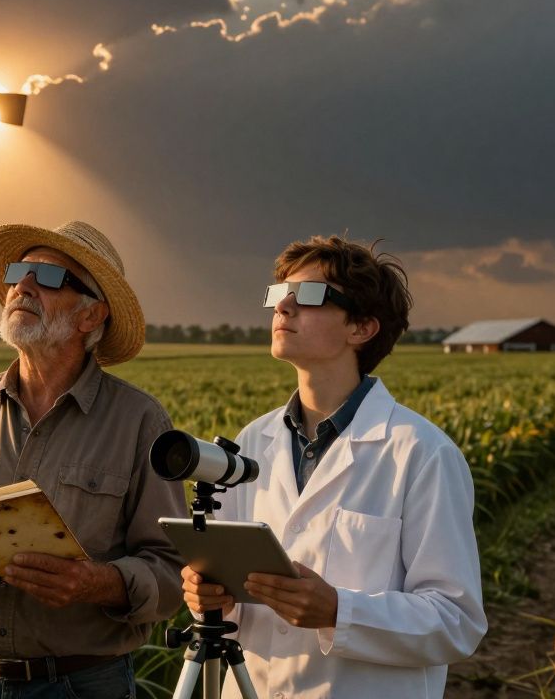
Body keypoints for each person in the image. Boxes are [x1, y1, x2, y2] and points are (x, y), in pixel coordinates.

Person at [0, 221, 187, 698]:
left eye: (47, 277)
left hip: (80, 685)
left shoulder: (140, 422)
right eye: (18, 272)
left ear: (91, 315)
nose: (22, 286)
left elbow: (172, 570)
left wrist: (97, 583)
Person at [180, 235, 486, 698]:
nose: (283, 307)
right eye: (280, 294)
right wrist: (211, 599)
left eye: (307, 295)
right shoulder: (252, 441)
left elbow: (456, 621)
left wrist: (340, 611)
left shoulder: (422, 453)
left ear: (361, 327)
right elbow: (236, 599)